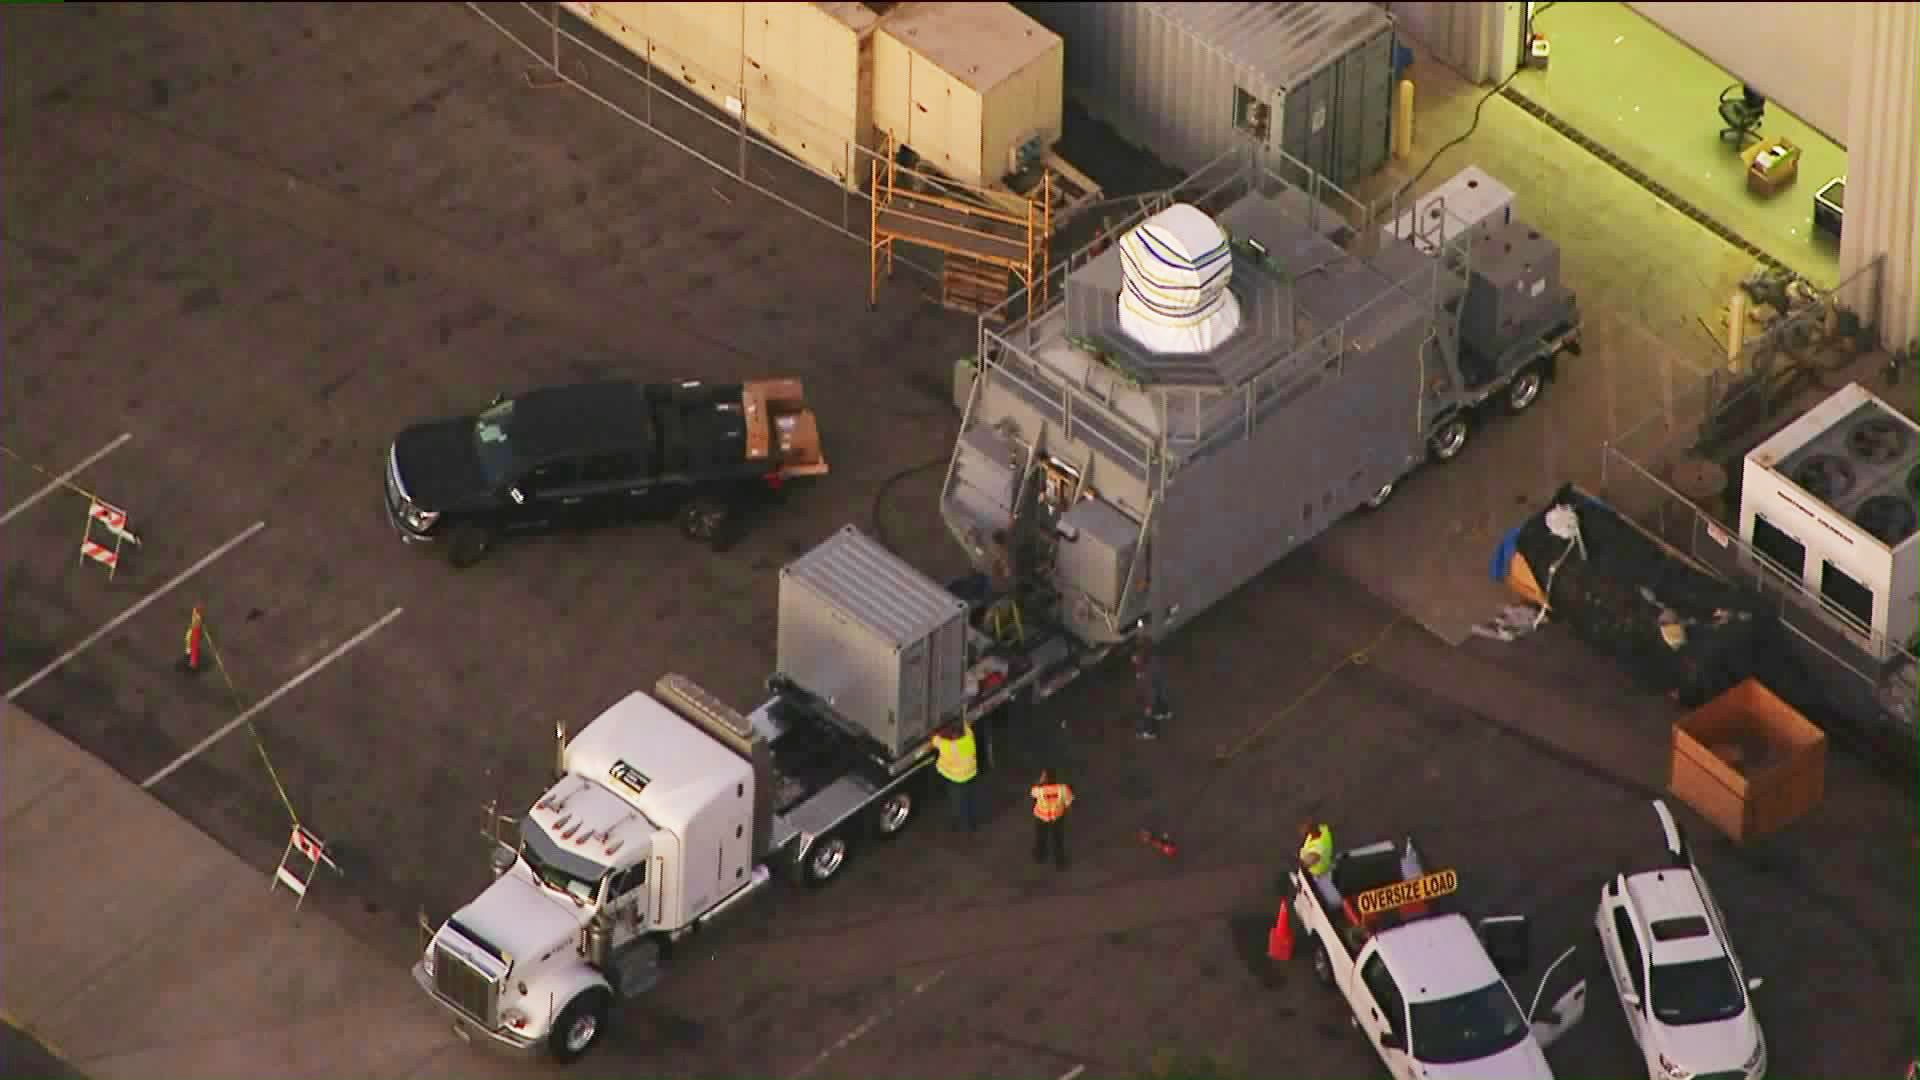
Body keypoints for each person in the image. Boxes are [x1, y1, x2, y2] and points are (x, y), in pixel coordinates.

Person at [930, 720, 979, 833]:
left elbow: (934, 739)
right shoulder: (968, 736)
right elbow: (965, 725)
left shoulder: (949, 746)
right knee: (969, 800)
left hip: (956, 779)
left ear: (953, 736)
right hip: (970, 774)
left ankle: (965, 828)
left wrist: (936, 731)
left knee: (959, 804)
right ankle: (970, 822)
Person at [1029, 767, 1074, 870]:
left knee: (1041, 838)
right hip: (1057, 817)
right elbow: (1068, 802)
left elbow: (1033, 795)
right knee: (1058, 840)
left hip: (1041, 817)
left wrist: (1039, 782)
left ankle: (1040, 856)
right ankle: (1060, 862)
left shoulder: (1038, 789)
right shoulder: (1063, 789)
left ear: (1044, 778)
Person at [1132, 639, 1169, 740]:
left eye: (1136, 657)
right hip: (1151, 693)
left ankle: (1150, 731)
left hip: (1149, 695)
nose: (1133, 658)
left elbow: (1148, 685)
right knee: (1149, 711)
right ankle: (1161, 715)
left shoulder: (1145, 669)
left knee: (1147, 713)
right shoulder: (1149, 664)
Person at [1300, 821, 1340, 908]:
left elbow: (1307, 863)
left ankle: (1336, 908)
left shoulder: (1318, 847)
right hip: (1326, 864)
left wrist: (1302, 861)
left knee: (1331, 896)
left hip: (1320, 873)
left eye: (1307, 832)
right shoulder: (1323, 830)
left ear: (1312, 832)